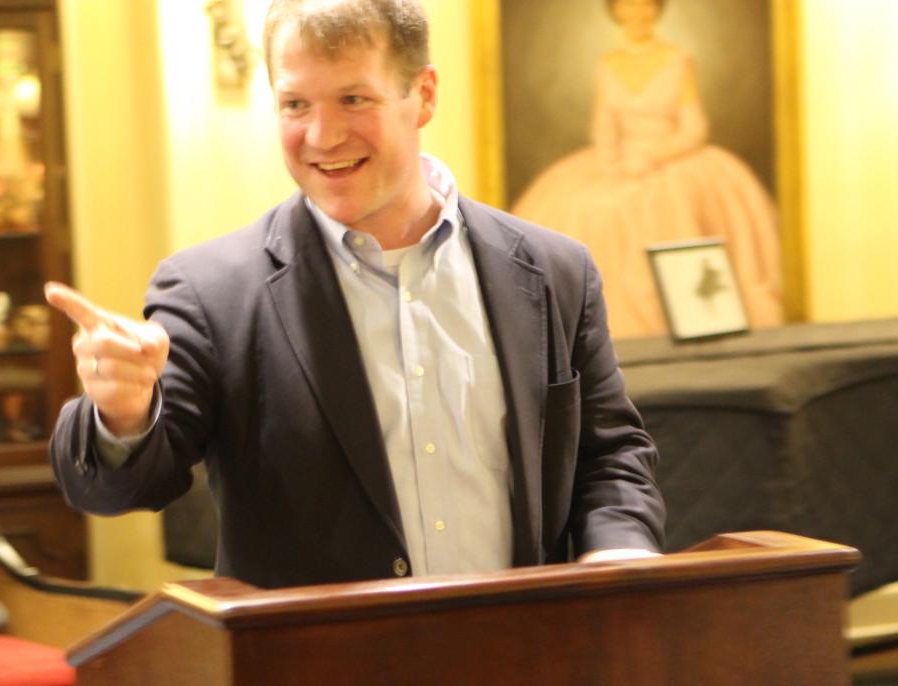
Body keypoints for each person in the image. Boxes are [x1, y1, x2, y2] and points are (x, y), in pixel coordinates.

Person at [46, 0, 665, 590]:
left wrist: (618, 556)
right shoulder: (210, 292)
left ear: (424, 95)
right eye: (295, 104)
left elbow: (610, 456)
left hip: (525, 645)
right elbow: (116, 490)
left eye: (353, 99)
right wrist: (122, 414)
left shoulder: (554, 270)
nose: (322, 135)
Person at [513, 0, 783, 339]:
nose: (637, 15)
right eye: (628, 7)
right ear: (616, 12)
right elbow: (604, 125)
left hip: (672, 156)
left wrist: (653, 156)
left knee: (671, 209)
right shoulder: (608, 63)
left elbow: (694, 128)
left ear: (657, 10)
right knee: (584, 207)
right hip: (619, 158)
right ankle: (595, 330)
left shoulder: (677, 59)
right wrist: (611, 162)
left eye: (644, 6)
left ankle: (685, 322)